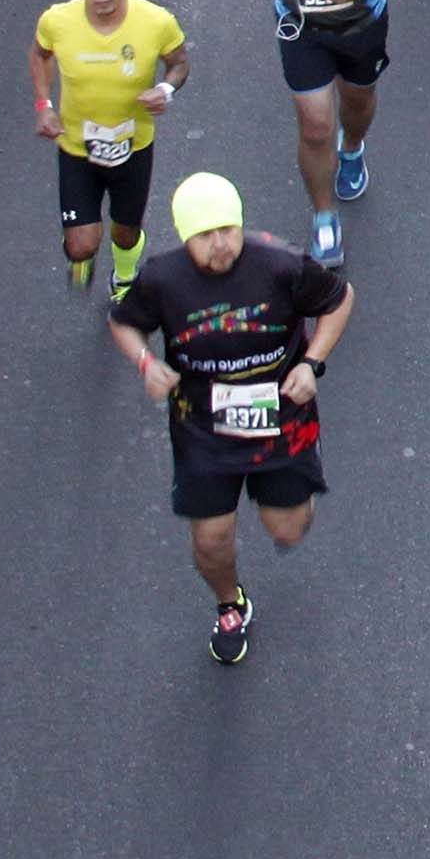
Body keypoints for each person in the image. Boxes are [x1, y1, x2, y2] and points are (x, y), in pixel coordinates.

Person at [108, 169, 352, 667]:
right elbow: (124, 324)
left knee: (287, 530)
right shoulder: (161, 278)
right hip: (203, 428)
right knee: (211, 538)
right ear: (184, 236)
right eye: (205, 235)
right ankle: (229, 604)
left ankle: (296, 477)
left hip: (281, 418)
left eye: (228, 229)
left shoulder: (281, 264)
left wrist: (312, 363)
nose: (220, 245)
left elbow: (339, 300)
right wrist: (146, 363)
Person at [240, 0, 421, 269]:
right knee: (316, 125)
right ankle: (324, 217)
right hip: (300, 26)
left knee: (357, 101)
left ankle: (353, 147)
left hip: (359, 26)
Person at [29, 0, 186, 296]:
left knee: (125, 232)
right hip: (77, 147)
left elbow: (179, 62)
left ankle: (125, 277)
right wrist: (44, 106)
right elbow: (40, 55)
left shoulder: (156, 21)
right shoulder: (57, 21)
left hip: (134, 145)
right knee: (82, 244)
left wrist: (166, 90)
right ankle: (80, 255)